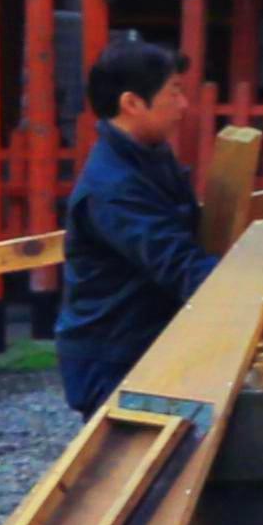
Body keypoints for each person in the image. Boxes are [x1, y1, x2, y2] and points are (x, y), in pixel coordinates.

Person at [55, 40, 218, 414]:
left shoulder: (148, 156)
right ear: (131, 103)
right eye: (174, 92)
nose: (183, 105)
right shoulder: (113, 186)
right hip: (113, 355)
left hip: (145, 343)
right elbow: (178, 263)